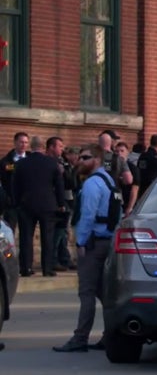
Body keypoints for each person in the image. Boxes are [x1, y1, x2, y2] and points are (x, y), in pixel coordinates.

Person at [53, 144, 120, 353]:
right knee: (103, 292)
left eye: (85, 157)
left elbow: (88, 215)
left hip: (93, 243)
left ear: (97, 160)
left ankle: (80, 338)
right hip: (108, 241)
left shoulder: (92, 183)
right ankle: (111, 335)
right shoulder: (109, 181)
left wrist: (81, 242)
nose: (80, 161)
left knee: (87, 292)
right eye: (80, 157)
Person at [13, 136, 66, 277]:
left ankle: (26, 267)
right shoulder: (52, 163)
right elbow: (59, 185)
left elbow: (15, 186)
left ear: (31, 146)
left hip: (26, 204)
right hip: (47, 204)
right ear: (43, 147)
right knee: (47, 237)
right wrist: (61, 203)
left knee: (26, 237)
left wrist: (17, 202)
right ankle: (47, 268)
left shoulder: (21, 163)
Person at [0, 132, 30, 230]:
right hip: (11, 203)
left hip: (27, 202)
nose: (23, 145)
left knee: (26, 231)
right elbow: (6, 171)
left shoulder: (31, 158)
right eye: (21, 142)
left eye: (26, 142)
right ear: (15, 142)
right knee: (9, 230)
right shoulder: (5, 161)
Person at [114, 142, 140, 216]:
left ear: (127, 152)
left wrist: (130, 207)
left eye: (122, 151)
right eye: (117, 151)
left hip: (128, 203)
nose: (119, 153)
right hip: (117, 203)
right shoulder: (113, 168)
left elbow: (135, 189)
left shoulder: (133, 168)